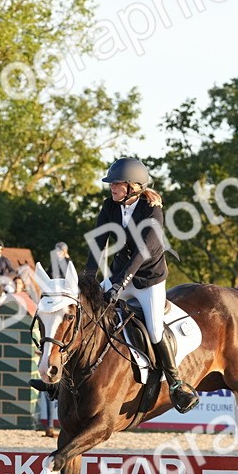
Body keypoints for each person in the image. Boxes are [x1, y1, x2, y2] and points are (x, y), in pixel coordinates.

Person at [70, 156, 198, 412]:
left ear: (133, 186)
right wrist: (88, 281)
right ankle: (63, 377)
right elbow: (99, 244)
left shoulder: (152, 211)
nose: (111, 187)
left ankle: (175, 384)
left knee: (154, 330)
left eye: (116, 184)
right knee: (87, 312)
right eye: (111, 184)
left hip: (149, 279)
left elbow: (142, 253)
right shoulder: (110, 206)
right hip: (120, 274)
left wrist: (119, 285)